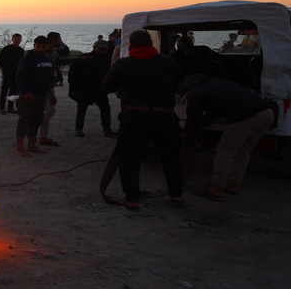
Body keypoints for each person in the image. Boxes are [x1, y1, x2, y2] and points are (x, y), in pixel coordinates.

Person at [102, 30, 185, 210]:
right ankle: (176, 195)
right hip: (165, 116)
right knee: (172, 157)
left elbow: (106, 87)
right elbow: (177, 86)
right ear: (151, 44)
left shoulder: (123, 64)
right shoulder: (169, 62)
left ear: (130, 45)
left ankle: (132, 199)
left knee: (130, 157)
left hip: (135, 115)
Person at [180, 74, 277, 199]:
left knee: (224, 151)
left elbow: (193, 115)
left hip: (247, 116)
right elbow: (217, 110)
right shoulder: (215, 83)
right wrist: (202, 124)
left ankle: (217, 188)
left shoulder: (192, 93)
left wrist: (188, 132)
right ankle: (232, 185)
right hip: (267, 113)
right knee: (243, 150)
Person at [14, 36, 56, 157]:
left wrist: (51, 94)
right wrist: (26, 92)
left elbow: (47, 79)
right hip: (28, 96)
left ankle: (31, 145)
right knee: (24, 121)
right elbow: (19, 76)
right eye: (38, 47)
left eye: (43, 47)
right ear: (34, 46)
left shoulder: (48, 58)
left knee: (36, 121)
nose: (41, 49)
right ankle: (19, 148)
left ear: (47, 47)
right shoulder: (28, 58)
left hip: (41, 95)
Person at [67, 40, 116, 138]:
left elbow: (110, 75)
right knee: (82, 109)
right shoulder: (83, 58)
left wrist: (108, 88)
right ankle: (78, 129)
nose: (102, 51)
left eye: (104, 50)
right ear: (94, 47)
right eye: (100, 49)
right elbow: (73, 74)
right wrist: (73, 88)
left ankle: (107, 129)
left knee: (105, 108)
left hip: (99, 89)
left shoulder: (107, 60)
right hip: (84, 88)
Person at [0, 33, 24, 114]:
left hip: (16, 74)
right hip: (7, 73)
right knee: (4, 91)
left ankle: (10, 107)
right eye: (15, 39)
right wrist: (2, 67)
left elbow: (22, 61)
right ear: (12, 39)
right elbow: (0, 59)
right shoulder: (7, 48)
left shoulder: (21, 50)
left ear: (21, 40)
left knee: (13, 91)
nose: (17, 40)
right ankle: (2, 108)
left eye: (18, 39)